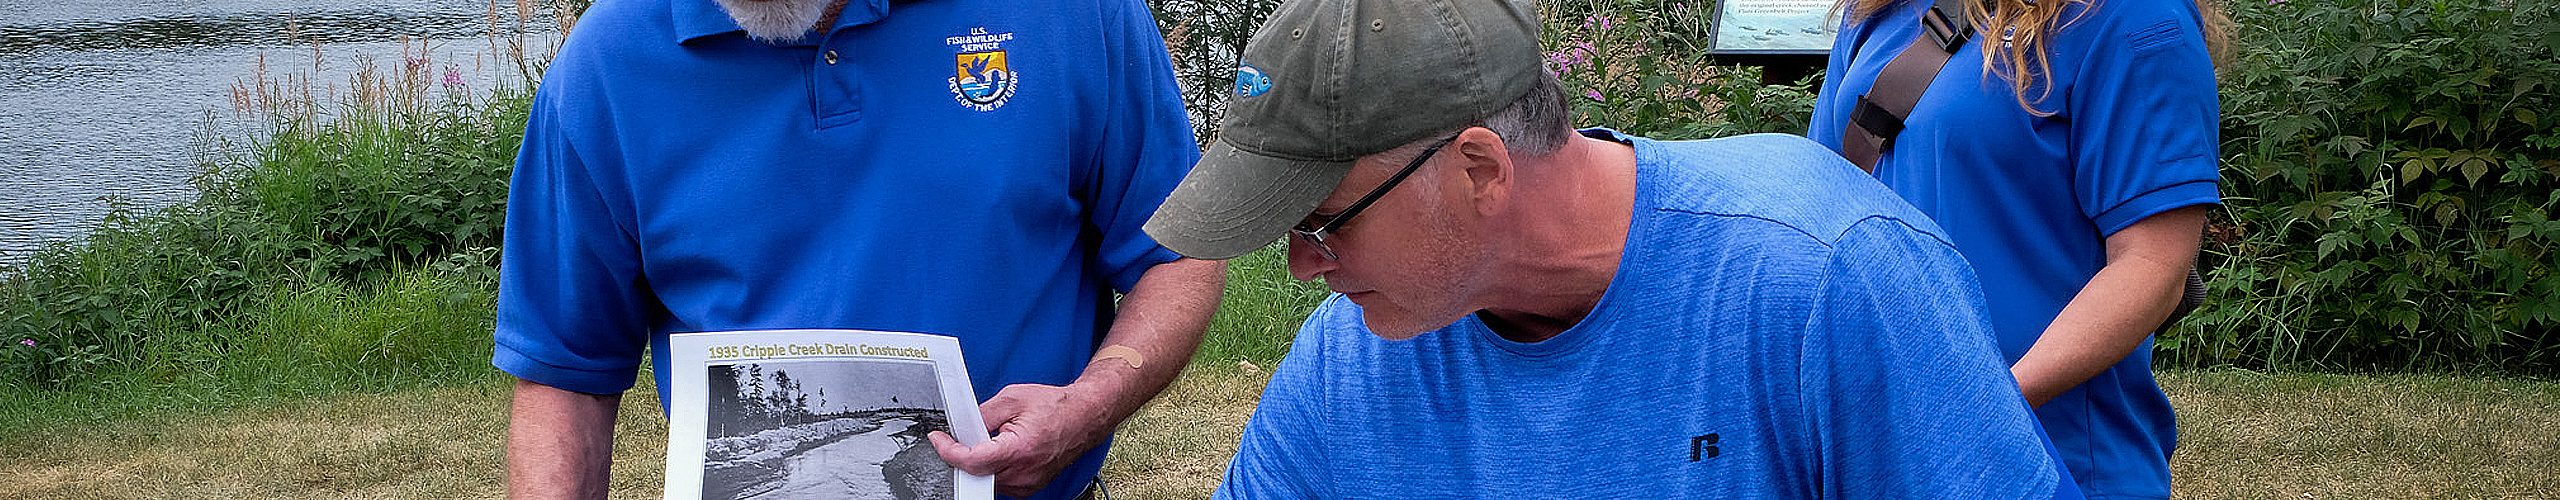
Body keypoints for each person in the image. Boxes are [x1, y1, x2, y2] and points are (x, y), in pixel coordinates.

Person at [1140, 0, 2079, 497]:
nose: (1303, 265)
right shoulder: (1349, 365)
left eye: (1324, 221)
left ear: (1479, 169)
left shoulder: (1825, 275)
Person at [489, 0, 1223, 498]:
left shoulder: (1073, 14)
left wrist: (1085, 409)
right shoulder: (607, 64)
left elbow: (1178, 252)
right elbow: (566, 373)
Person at [1806, 0, 2225, 496]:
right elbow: (1819, 207)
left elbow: (2152, 265)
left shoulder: (2134, 17)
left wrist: (1979, 412)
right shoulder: (1878, 11)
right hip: (1880, 449)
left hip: (2050, 457)